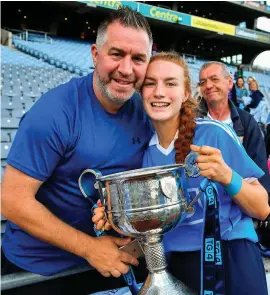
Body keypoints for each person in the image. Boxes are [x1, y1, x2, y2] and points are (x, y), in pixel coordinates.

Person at [1, 7, 154, 294]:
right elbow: (12, 200)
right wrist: (89, 248)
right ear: (96, 54)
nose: (126, 69)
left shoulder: (147, 111)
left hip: (113, 261)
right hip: (39, 270)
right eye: (116, 54)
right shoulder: (55, 112)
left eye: (138, 59)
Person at [93, 52, 270, 295]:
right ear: (140, 92)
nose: (159, 92)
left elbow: (262, 208)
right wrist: (113, 216)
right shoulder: (142, 156)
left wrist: (227, 176)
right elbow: (150, 230)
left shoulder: (214, 135)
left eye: (170, 83)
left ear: (186, 92)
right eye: (150, 83)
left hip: (233, 256)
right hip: (177, 267)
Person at [198, 61, 270, 205]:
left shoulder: (246, 122)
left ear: (230, 83)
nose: (208, 85)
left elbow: (260, 173)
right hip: (199, 205)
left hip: (238, 207)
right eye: (203, 82)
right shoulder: (190, 120)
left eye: (214, 79)